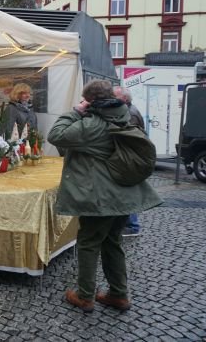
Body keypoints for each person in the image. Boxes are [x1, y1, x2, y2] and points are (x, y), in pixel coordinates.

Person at [48, 80, 161, 313]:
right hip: (125, 196)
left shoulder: (92, 124)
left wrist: (75, 112)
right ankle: (118, 294)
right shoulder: (124, 116)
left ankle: (85, 295)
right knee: (112, 242)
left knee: (89, 244)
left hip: (102, 198)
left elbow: (55, 135)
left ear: (90, 100)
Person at [113, 86, 146, 237]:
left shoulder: (129, 114)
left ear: (124, 99)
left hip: (129, 159)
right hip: (130, 158)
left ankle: (132, 226)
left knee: (128, 193)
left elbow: (127, 138)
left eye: (115, 96)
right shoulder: (129, 110)